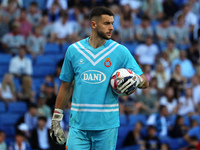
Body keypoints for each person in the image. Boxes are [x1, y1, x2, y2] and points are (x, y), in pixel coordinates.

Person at [50, 6, 149, 150]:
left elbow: (144, 81)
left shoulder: (120, 51)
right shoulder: (74, 50)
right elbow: (65, 87)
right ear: (93, 24)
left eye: (112, 23)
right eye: (107, 23)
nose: (112, 28)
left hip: (107, 126)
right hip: (78, 125)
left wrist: (136, 80)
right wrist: (56, 119)